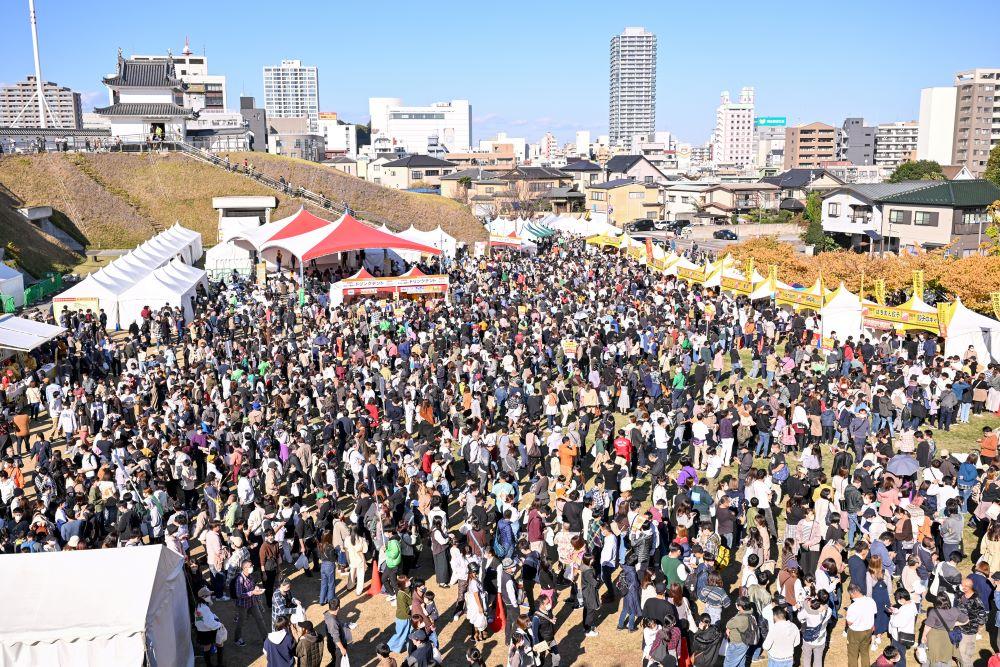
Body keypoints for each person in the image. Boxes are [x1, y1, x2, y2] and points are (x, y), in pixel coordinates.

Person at [234, 560, 267, 647]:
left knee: (260, 619)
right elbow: (239, 594)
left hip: (252, 602)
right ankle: (237, 639)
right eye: (250, 566)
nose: (252, 567)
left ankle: (265, 638)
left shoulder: (250, 576)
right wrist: (252, 593)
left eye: (251, 565)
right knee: (241, 622)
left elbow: (252, 586)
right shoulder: (240, 579)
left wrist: (255, 588)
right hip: (243, 605)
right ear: (244, 568)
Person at [844, 583, 876, 667]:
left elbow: (849, 622)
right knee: (865, 653)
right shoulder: (871, 600)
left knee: (853, 655)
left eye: (850, 594)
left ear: (852, 593)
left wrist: (846, 614)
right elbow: (874, 613)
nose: (850, 597)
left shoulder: (853, 607)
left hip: (855, 632)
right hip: (868, 630)